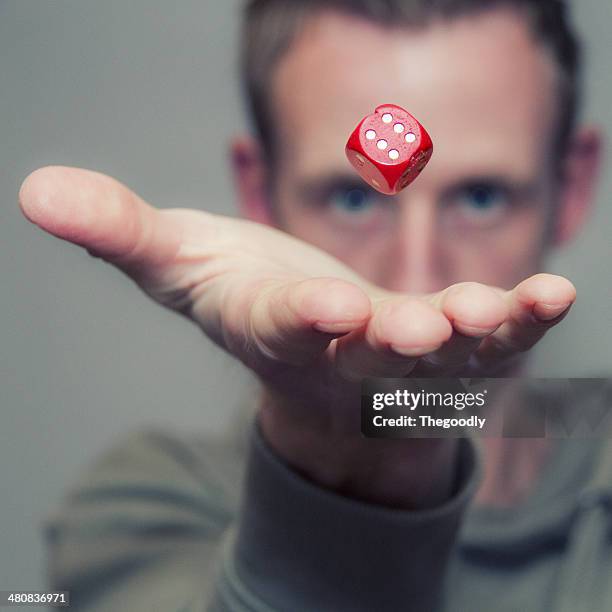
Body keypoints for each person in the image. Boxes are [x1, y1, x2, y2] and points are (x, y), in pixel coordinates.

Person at [17, 0, 609, 610]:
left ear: (573, 189)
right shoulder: (143, 508)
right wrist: (340, 464)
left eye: (481, 198)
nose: (415, 275)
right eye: (354, 199)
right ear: (258, 191)